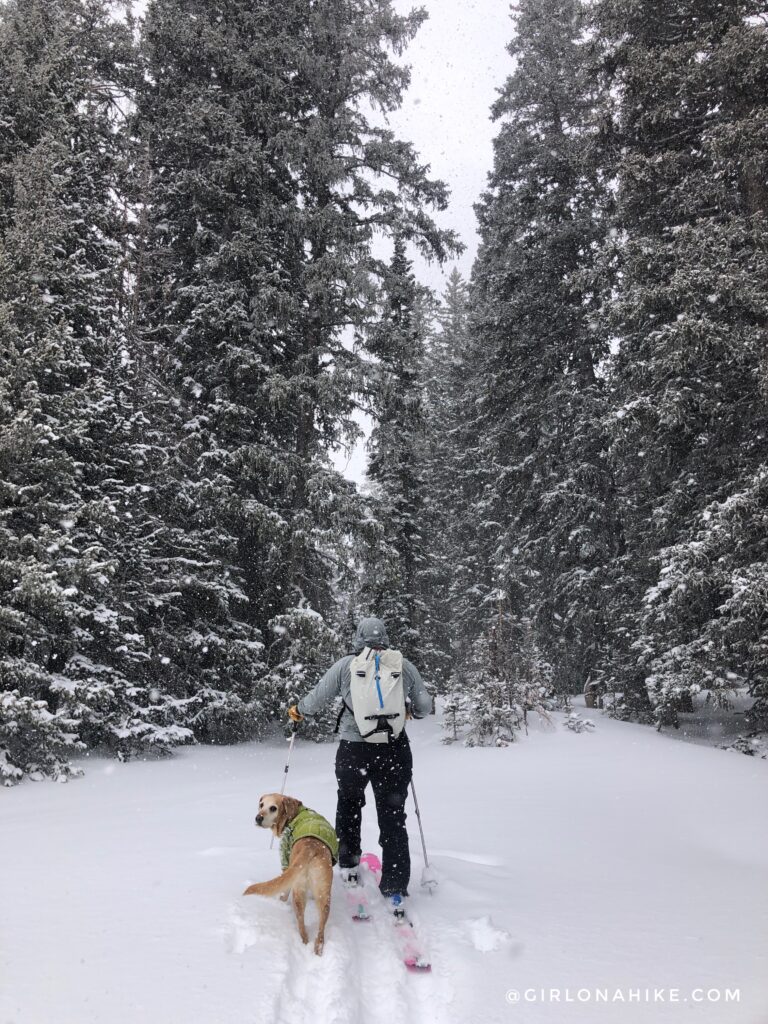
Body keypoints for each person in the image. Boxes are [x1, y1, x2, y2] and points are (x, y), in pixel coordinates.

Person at [288, 616, 432, 914]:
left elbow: (316, 700)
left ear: (358, 638)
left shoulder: (346, 666)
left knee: (350, 804)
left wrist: (297, 711)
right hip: (393, 751)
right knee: (393, 814)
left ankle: (350, 861)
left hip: (354, 751)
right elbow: (424, 706)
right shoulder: (401, 665)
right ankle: (394, 881)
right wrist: (409, 712)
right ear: (385, 637)